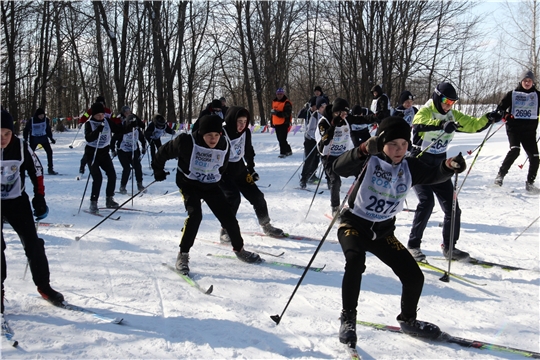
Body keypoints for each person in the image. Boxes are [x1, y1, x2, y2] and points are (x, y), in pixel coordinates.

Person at [332, 116, 466, 347]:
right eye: (393, 144)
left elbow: (433, 175)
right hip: (354, 226)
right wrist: (363, 149)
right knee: (354, 261)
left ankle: (409, 320)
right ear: (381, 143)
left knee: (414, 276)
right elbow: (339, 167)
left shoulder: (409, 166)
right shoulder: (369, 160)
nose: (399, 150)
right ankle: (348, 318)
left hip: (383, 233)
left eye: (404, 144)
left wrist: (448, 166)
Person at [151, 115, 262, 275]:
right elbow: (163, 152)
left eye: (216, 135)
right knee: (195, 215)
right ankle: (183, 255)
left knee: (228, 217)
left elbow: (222, 166)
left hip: (210, 185)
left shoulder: (224, 144)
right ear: (201, 133)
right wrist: (158, 169)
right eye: (209, 135)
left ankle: (240, 249)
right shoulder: (186, 142)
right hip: (189, 184)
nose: (213, 139)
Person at [406, 82, 501, 262]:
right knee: (427, 203)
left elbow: (473, 125)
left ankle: (449, 247)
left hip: (440, 166)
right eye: (445, 101)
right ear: (436, 97)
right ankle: (413, 245)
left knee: (453, 208)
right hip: (419, 164)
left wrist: (488, 118)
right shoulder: (425, 111)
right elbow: (419, 125)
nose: (448, 105)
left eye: (452, 102)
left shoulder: (451, 114)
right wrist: (442, 124)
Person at [1, 109, 64, 312]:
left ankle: (44, 286)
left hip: (17, 201)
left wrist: (39, 198)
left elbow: (36, 171)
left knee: (33, 244)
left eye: (6, 134)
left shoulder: (21, 147)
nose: (2, 139)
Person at [218, 106, 284, 242]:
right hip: (224, 172)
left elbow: (248, 150)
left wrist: (251, 168)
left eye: (244, 121)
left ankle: (266, 225)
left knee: (258, 196)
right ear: (232, 120)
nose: (242, 125)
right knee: (233, 198)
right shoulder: (222, 133)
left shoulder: (246, 132)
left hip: (240, 169)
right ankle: (225, 230)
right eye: (239, 121)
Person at [494, 69, 540, 194]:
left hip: (529, 131)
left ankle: (530, 183)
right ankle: (500, 176)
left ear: (533, 82)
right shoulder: (512, 94)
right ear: (521, 81)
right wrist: (506, 114)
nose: (527, 82)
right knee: (515, 150)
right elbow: (500, 108)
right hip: (514, 128)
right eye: (525, 80)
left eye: (530, 81)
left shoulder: (537, 95)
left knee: (535, 157)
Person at [316, 98, 354, 216]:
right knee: (335, 180)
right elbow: (326, 140)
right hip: (328, 156)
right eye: (339, 114)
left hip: (343, 154)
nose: (342, 117)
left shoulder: (345, 119)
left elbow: (361, 119)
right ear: (334, 112)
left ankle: (357, 204)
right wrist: (333, 125)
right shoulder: (324, 122)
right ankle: (335, 208)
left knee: (361, 172)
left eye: (344, 114)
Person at [83, 102, 123, 213]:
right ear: (93, 115)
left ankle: (109, 199)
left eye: (102, 114)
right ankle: (93, 203)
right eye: (98, 115)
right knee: (98, 178)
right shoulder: (89, 123)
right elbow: (88, 138)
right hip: (92, 154)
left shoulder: (107, 121)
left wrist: (130, 126)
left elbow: (119, 130)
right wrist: (97, 131)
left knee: (112, 175)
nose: (100, 117)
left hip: (104, 153)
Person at [77, 96, 113, 176]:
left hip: (105, 133)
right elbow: (85, 115)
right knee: (89, 153)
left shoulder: (107, 111)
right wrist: (81, 121)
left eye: (102, 104)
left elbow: (113, 118)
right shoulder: (92, 110)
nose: (101, 105)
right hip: (94, 132)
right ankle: (83, 165)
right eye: (99, 103)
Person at [112, 111, 147, 194]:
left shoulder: (137, 130)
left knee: (138, 167)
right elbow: (113, 140)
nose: (133, 126)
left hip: (133, 150)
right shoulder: (122, 129)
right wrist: (113, 150)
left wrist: (144, 147)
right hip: (122, 151)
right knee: (127, 168)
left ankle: (140, 184)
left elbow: (142, 139)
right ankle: (122, 187)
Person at [23, 107, 58, 175]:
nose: (42, 116)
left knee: (49, 152)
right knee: (29, 155)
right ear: (37, 115)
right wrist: (26, 139)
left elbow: (48, 130)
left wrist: (51, 138)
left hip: (44, 139)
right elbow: (26, 130)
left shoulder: (46, 120)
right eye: (40, 115)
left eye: (43, 115)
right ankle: (24, 170)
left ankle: (50, 169)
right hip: (34, 140)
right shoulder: (32, 120)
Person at [299, 96, 322, 188]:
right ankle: (304, 178)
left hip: (319, 140)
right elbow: (309, 130)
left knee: (316, 159)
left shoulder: (321, 114)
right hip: (310, 139)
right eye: (313, 106)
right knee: (309, 159)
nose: (314, 108)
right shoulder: (311, 114)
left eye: (316, 106)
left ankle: (312, 175)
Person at [271, 88, 293, 158]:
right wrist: (272, 122)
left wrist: (278, 113)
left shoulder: (287, 102)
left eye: (281, 94)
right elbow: (272, 114)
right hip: (276, 123)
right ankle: (288, 150)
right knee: (279, 139)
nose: (279, 95)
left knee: (282, 139)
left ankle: (283, 152)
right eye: (278, 94)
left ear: (283, 94)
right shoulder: (274, 102)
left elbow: (287, 113)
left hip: (284, 123)